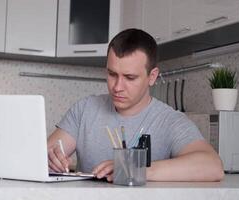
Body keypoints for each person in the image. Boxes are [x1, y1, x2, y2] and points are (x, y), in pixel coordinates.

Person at [47, 28, 224, 182]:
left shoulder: (170, 120)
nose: (117, 87)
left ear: (152, 77)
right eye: (112, 74)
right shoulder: (85, 109)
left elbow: (213, 166)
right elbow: (39, 156)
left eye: (130, 78)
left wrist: (136, 170)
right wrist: (48, 160)